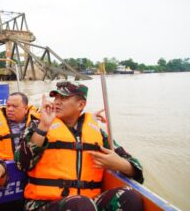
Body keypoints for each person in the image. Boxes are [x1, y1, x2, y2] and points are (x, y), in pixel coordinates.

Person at [14, 81, 144, 211]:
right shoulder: (38, 126)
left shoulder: (98, 134)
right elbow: (22, 164)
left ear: (81, 104)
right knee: (80, 205)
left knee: (130, 197)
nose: (57, 102)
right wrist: (43, 127)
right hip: (43, 204)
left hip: (88, 203)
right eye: (56, 97)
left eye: (63, 98)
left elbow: (136, 170)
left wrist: (119, 164)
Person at [0, 92, 38, 210]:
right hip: (6, 180)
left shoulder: (36, 126)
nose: (10, 109)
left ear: (25, 109)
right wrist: (1, 166)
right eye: (8, 105)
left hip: (31, 179)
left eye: (14, 106)